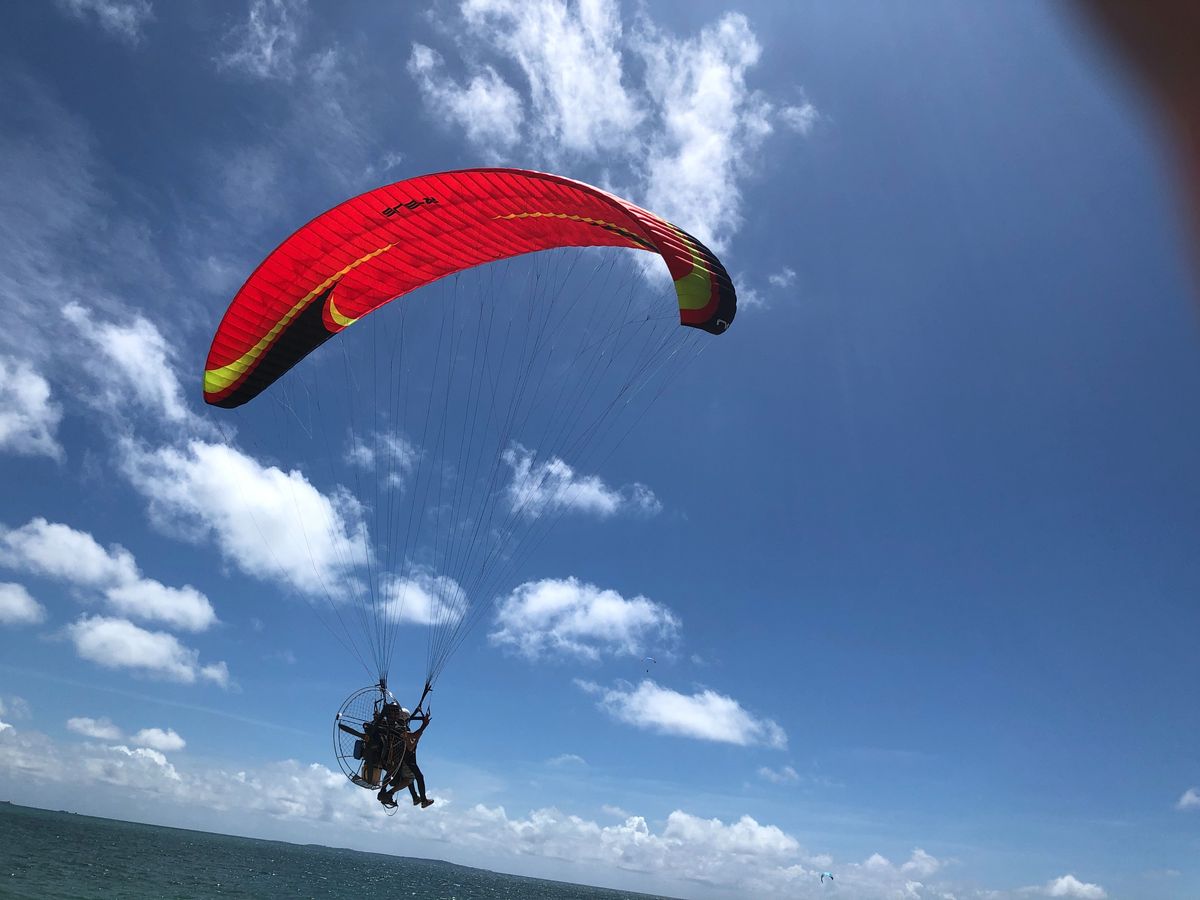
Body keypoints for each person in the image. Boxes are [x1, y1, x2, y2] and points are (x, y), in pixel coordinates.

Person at [378, 707, 434, 809]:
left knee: (409, 778)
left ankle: (414, 798)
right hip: (406, 759)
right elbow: (411, 745)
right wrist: (423, 726)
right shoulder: (401, 728)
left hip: (395, 759)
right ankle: (423, 800)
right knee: (417, 777)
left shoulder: (392, 726)